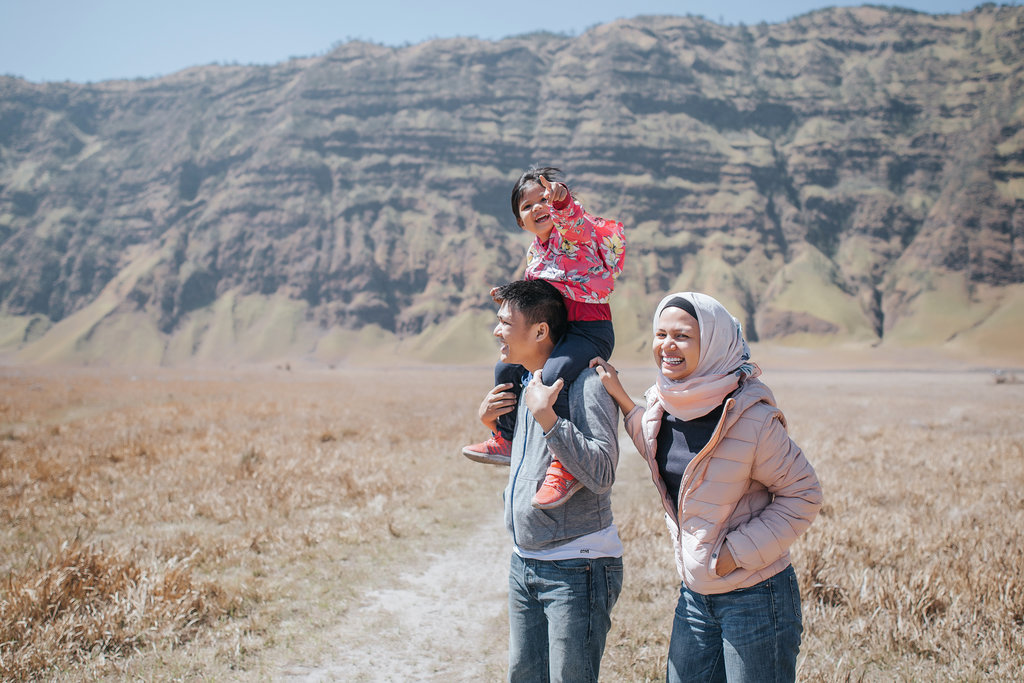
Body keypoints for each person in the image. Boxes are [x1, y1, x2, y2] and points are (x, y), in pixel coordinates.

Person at [590, 292, 822, 683]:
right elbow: (652, 442)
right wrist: (620, 396)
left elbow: (803, 495)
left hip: (756, 596)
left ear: (713, 342)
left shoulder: (751, 418)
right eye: (660, 333)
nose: (667, 345)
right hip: (695, 598)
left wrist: (735, 553)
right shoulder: (663, 407)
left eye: (682, 336)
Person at [476, 279, 623, 682]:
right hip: (524, 563)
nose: (497, 331)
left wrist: (548, 418)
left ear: (541, 331)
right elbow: (531, 465)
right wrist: (495, 425)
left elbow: (602, 472)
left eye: (506, 322)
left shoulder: (586, 384)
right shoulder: (528, 381)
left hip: (578, 568)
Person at [462, 166, 625, 510]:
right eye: (527, 206)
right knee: (505, 370)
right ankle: (506, 437)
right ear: (520, 222)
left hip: (588, 331)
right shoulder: (536, 254)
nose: (537, 208)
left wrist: (562, 201)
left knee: (551, 377)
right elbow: (533, 295)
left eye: (543, 199)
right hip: (556, 330)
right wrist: (508, 295)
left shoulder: (575, 233)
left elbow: (575, 221)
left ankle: (565, 465)